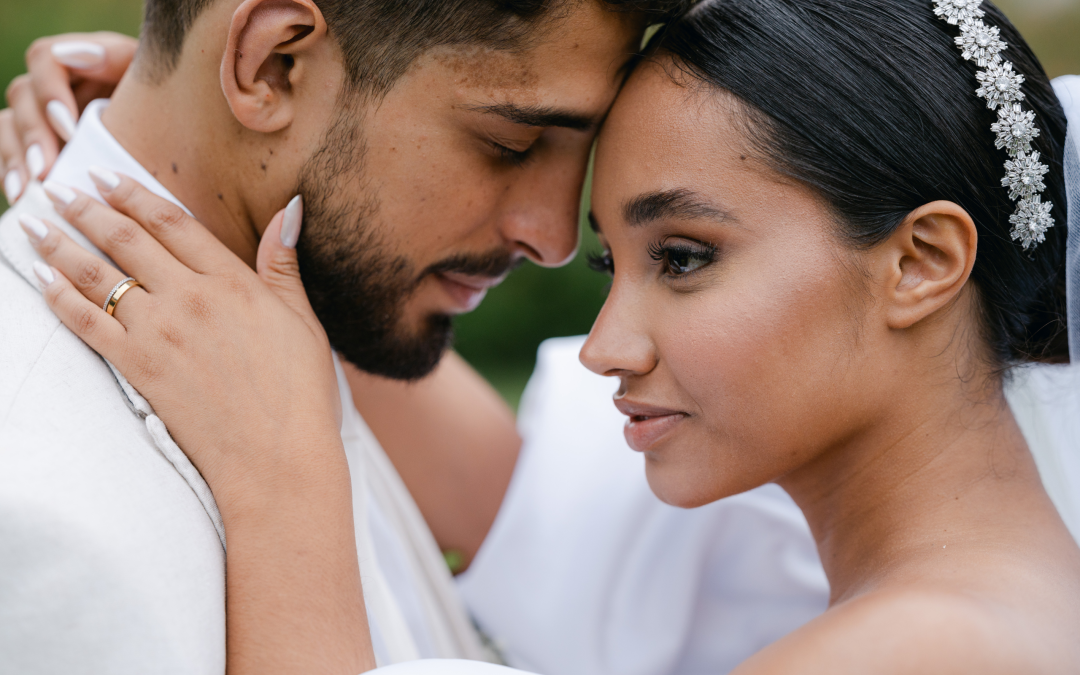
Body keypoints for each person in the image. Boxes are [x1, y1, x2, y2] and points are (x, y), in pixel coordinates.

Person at [14, 0, 1080, 672]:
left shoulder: (932, 646)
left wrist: (283, 492)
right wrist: (194, 142)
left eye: (686, 256)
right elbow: (527, 507)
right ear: (270, 65)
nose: (604, 339)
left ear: (923, 262)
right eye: (510, 140)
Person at [0, 0, 698, 671]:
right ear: (273, 65)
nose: (552, 237)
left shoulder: (296, 339)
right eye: (508, 144)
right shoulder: (42, 512)